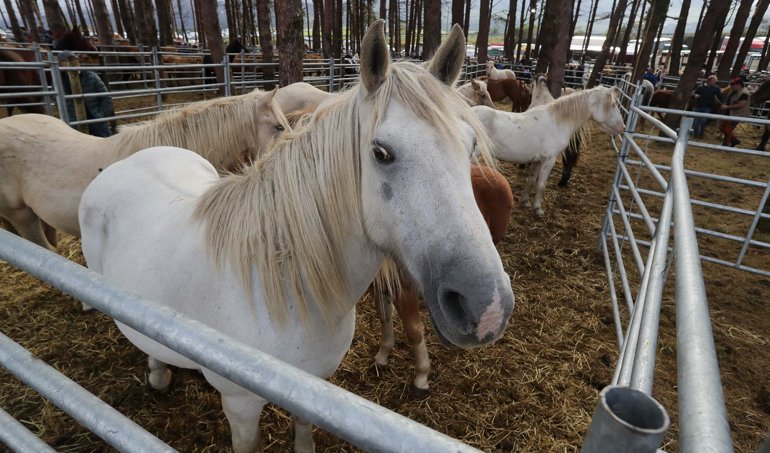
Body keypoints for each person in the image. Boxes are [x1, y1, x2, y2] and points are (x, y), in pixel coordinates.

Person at [58, 51, 115, 137]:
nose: (69, 64)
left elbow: (105, 97)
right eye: (64, 61)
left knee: (103, 142)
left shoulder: (91, 76)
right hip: (74, 122)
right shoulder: (59, 81)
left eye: (74, 60)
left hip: (95, 119)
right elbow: (55, 99)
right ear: (60, 64)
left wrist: (101, 115)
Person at [719, 77, 750, 147]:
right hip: (729, 112)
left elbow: (741, 104)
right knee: (722, 127)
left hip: (737, 114)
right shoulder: (734, 88)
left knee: (727, 130)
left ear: (738, 85)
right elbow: (724, 90)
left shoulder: (744, 93)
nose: (732, 86)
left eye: (733, 85)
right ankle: (734, 141)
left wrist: (727, 106)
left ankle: (725, 146)